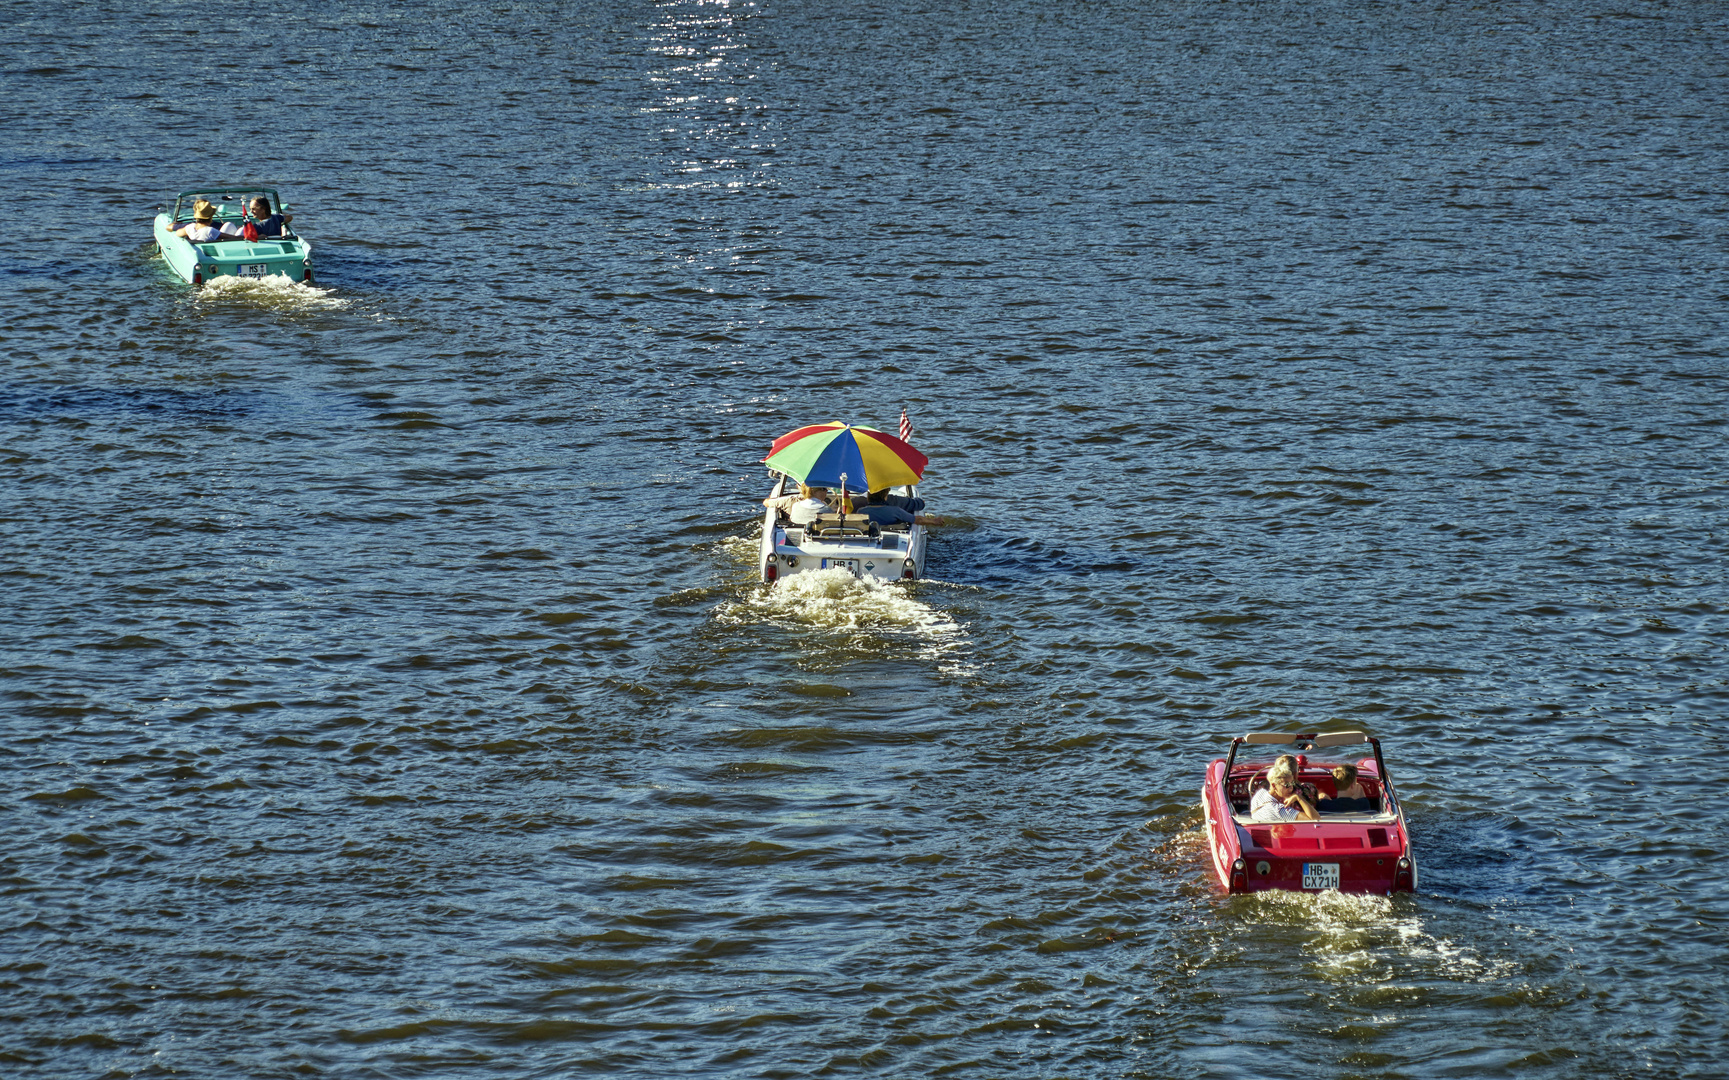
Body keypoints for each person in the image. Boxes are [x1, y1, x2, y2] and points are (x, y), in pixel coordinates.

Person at [1250, 763, 1318, 822]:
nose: (1291, 788)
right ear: (1274, 785)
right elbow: (1315, 819)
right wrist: (1299, 798)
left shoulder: (1260, 794)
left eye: (1292, 783)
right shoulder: (1280, 811)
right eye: (1287, 785)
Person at [851, 488, 945, 527]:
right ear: (885, 497)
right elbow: (918, 520)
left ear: (868, 497)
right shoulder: (895, 511)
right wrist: (934, 521)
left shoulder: (861, 511)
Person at [763, 484, 836, 526]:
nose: (826, 491)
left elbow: (766, 502)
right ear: (814, 492)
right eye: (824, 489)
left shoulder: (795, 505)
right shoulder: (827, 510)